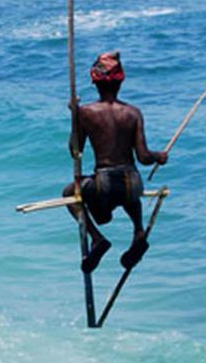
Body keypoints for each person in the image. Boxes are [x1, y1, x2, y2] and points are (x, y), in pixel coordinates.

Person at [63, 51, 168, 274]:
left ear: (95, 82)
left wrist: (75, 118)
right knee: (129, 189)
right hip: (132, 182)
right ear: (121, 82)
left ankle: (97, 238)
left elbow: (75, 151)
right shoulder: (133, 113)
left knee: (70, 192)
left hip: (105, 182)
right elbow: (143, 157)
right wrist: (159, 156)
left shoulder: (86, 113)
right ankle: (138, 231)